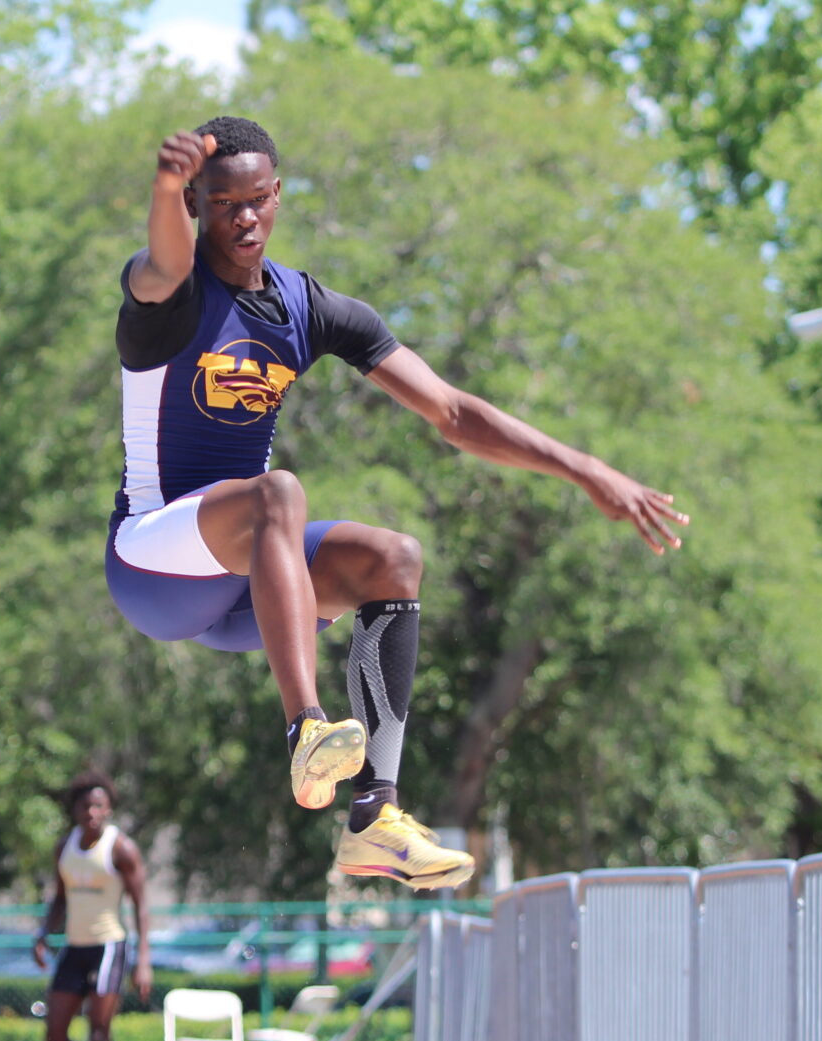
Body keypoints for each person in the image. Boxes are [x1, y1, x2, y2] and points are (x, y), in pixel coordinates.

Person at [109, 117, 687, 891]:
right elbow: (159, 263)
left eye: (256, 200)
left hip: (252, 591)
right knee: (278, 493)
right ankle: (306, 727)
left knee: (393, 558)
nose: (243, 219)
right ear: (194, 207)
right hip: (153, 563)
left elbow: (451, 411)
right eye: (220, 204)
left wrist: (584, 469)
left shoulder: (305, 307)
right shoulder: (170, 295)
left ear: (279, 195)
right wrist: (160, 189)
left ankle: (375, 815)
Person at [33, 773, 151, 1041]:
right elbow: (60, 897)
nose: (92, 812)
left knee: (98, 1033)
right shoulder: (64, 847)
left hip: (109, 946)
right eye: (85, 806)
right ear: (74, 810)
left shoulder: (121, 849)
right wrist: (42, 934)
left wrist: (143, 959)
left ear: (109, 809)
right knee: (54, 1035)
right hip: (74, 945)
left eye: (99, 805)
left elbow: (141, 905)